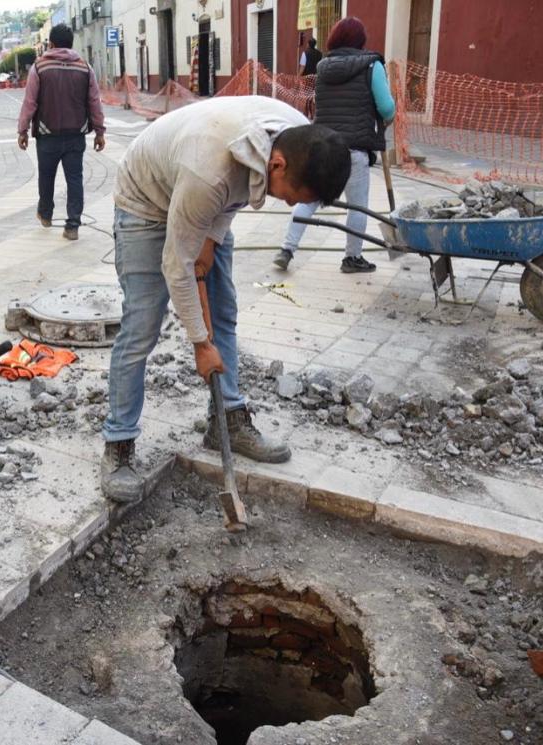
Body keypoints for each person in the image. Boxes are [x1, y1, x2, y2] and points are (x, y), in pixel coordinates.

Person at [100, 96, 351, 503]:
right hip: (146, 200)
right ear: (278, 165)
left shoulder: (297, 135)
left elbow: (236, 190)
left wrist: (212, 238)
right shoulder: (209, 170)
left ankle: (227, 422)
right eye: (292, 197)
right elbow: (177, 266)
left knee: (224, 314)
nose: (289, 204)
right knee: (142, 326)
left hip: (201, 196)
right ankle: (119, 443)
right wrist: (200, 344)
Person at [274, 16, 395, 274]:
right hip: (355, 147)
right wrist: (387, 114)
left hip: (323, 145)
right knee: (357, 205)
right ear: (360, 41)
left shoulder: (323, 67)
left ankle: (286, 249)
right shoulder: (372, 65)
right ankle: (352, 258)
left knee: (309, 195)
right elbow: (386, 108)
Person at [17, 23, 106, 241]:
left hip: (47, 135)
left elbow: (30, 102)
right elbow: (94, 102)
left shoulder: (39, 67)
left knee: (46, 177)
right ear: (71, 44)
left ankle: (45, 214)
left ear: (51, 44)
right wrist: (100, 131)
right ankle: (73, 225)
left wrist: (23, 130)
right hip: (76, 134)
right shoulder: (85, 68)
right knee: (75, 179)